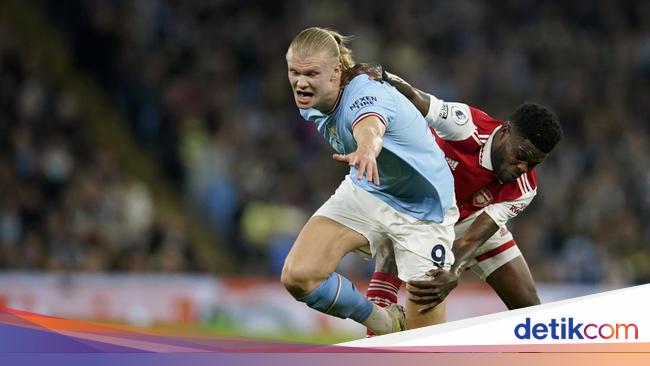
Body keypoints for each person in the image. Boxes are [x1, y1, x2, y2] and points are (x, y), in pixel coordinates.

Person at [344, 65, 562, 327]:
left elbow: (474, 238)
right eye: (522, 157)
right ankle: (375, 347)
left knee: (530, 308)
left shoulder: (525, 187)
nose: (523, 169)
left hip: (473, 221)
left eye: (533, 164)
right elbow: (416, 98)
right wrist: (384, 77)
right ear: (504, 133)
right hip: (423, 210)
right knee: (394, 245)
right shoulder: (466, 125)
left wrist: (453, 270)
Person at [281, 27, 459, 334]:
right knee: (298, 275)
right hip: (369, 187)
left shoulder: (365, 92)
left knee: (424, 344)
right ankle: (386, 322)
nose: (300, 82)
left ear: (337, 72)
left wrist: (366, 149)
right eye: (294, 72)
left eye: (311, 73)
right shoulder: (309, 103)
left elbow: (370, 125)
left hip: (423, 210)